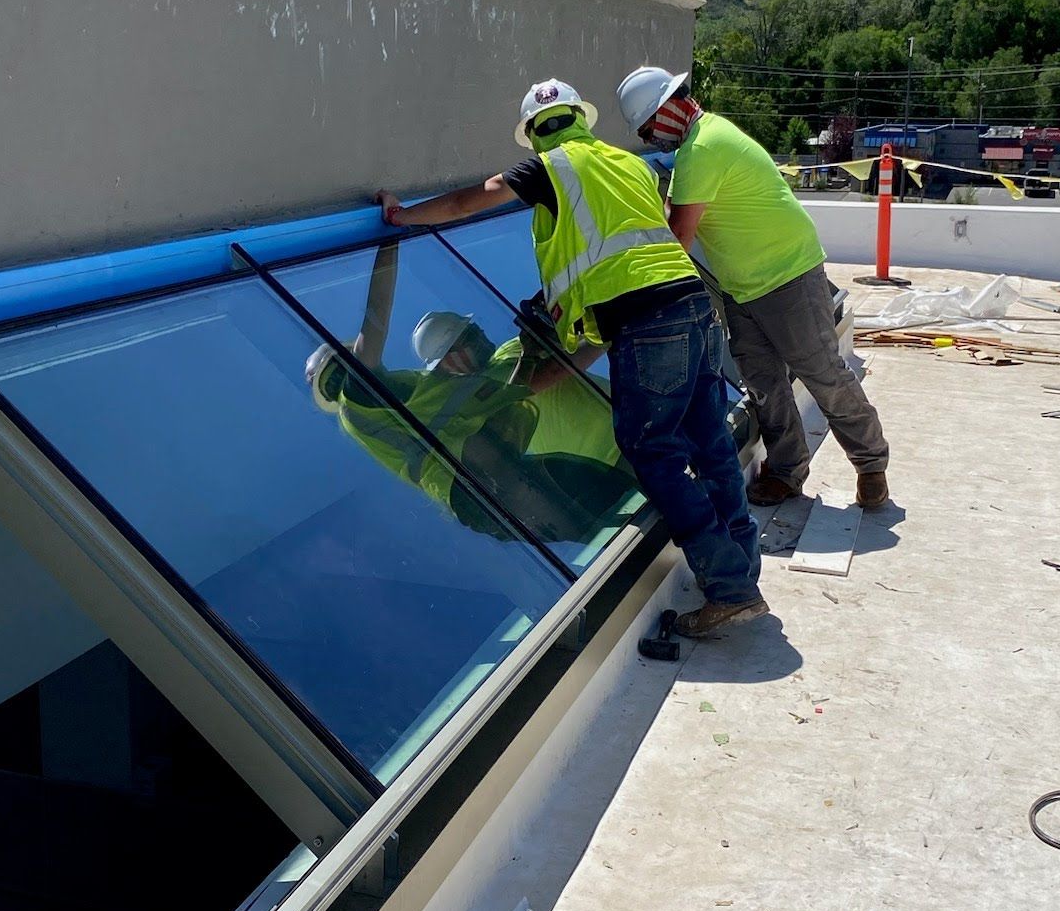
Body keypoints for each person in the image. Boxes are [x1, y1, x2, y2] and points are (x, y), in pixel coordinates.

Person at [377, 78, 765, 639]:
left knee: (651, 453)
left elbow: (468, 200)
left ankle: (728, 589)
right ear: (580, 117)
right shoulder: (629, 162)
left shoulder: (547, 167)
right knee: (710, 445)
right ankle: (743, 573)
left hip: (644, 324)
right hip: (693, 307)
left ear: (534, 132)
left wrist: (403, 216)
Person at [616, 66, 889, 510]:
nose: (651, 140)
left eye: (649, 129)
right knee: (764, 385)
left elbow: (679, 235)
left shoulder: (703, 148)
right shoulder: (701, 141)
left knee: (822, 372)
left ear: (668, 110)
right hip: (742, 287)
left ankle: (871, 462)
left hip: (787, 276)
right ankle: (786, 471)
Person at [305, 245, 630, 545]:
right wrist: (390, 241)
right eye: (340, 374)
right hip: (475, 484)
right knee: (612, 531)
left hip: (497, 466)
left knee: (615, 499)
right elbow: (375, 319)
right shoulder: (358, 406)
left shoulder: (424, 391)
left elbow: (510, 395)